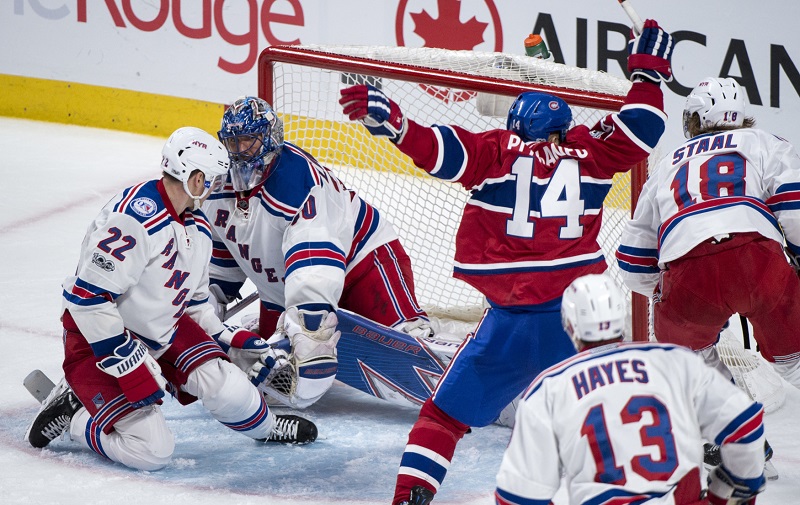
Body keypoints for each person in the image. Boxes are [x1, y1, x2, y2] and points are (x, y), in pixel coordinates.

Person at [339, 19, 673, 505]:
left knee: (442, 418)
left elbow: (440, 151)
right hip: (579, 326)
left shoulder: (494, 151)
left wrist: (396, 123)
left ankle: (409, 497)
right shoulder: (591, 151)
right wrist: (647, 75)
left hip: (506, 329)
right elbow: (645, 127)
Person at [25, 127, 317, 472]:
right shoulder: (134, 219)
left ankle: (267, 428)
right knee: (153, 451)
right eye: (212, 178)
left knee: (228, 386)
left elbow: (193, 303)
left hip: (162, 330)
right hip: (100, 340)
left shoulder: (197, 226)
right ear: (193, 177)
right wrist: (126, 357)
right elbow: (87, 299)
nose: (218, 186)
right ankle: (76, 417)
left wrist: (226, 338)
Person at [203, 96, 432, 408]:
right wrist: (206, 305)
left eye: (249, 141)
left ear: (269, 139)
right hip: (280, 293)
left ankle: (437, 345)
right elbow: (222, 262)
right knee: (269, 379)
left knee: (406, 340)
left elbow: (315, 264)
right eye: (234, 142)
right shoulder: (216, 189)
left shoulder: (299, 183)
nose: (241, 152)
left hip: (361, 266)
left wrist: (309, 324)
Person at [495, 274, 767, 505]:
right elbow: (746, 427)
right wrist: (724, 494)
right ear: (620, 314)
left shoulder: (549, 387)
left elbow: (515, 496)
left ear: (569, 324)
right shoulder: (675, 361)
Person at [616, 76, 800, 390]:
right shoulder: (764, 141)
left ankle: (724, 426)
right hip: (759, 262)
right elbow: (794, 206)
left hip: (690, 272)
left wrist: (666, 290)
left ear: (695, 118)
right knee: (795, 359)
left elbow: (632, 260)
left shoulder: (665, 166)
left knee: (689, 368)